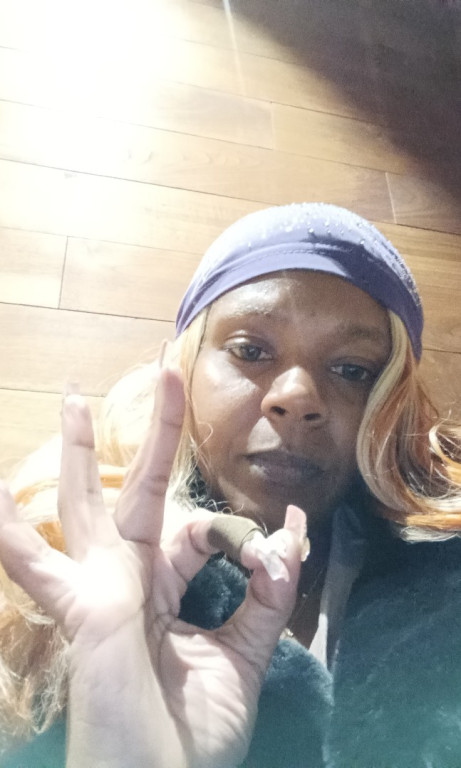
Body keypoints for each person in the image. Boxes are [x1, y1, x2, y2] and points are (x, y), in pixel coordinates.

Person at [0, 202, 461, 768]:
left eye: (352, 369)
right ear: (187, 367)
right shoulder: (50, 593)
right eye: (251, 350)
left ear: (389, 402)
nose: (297, 397)